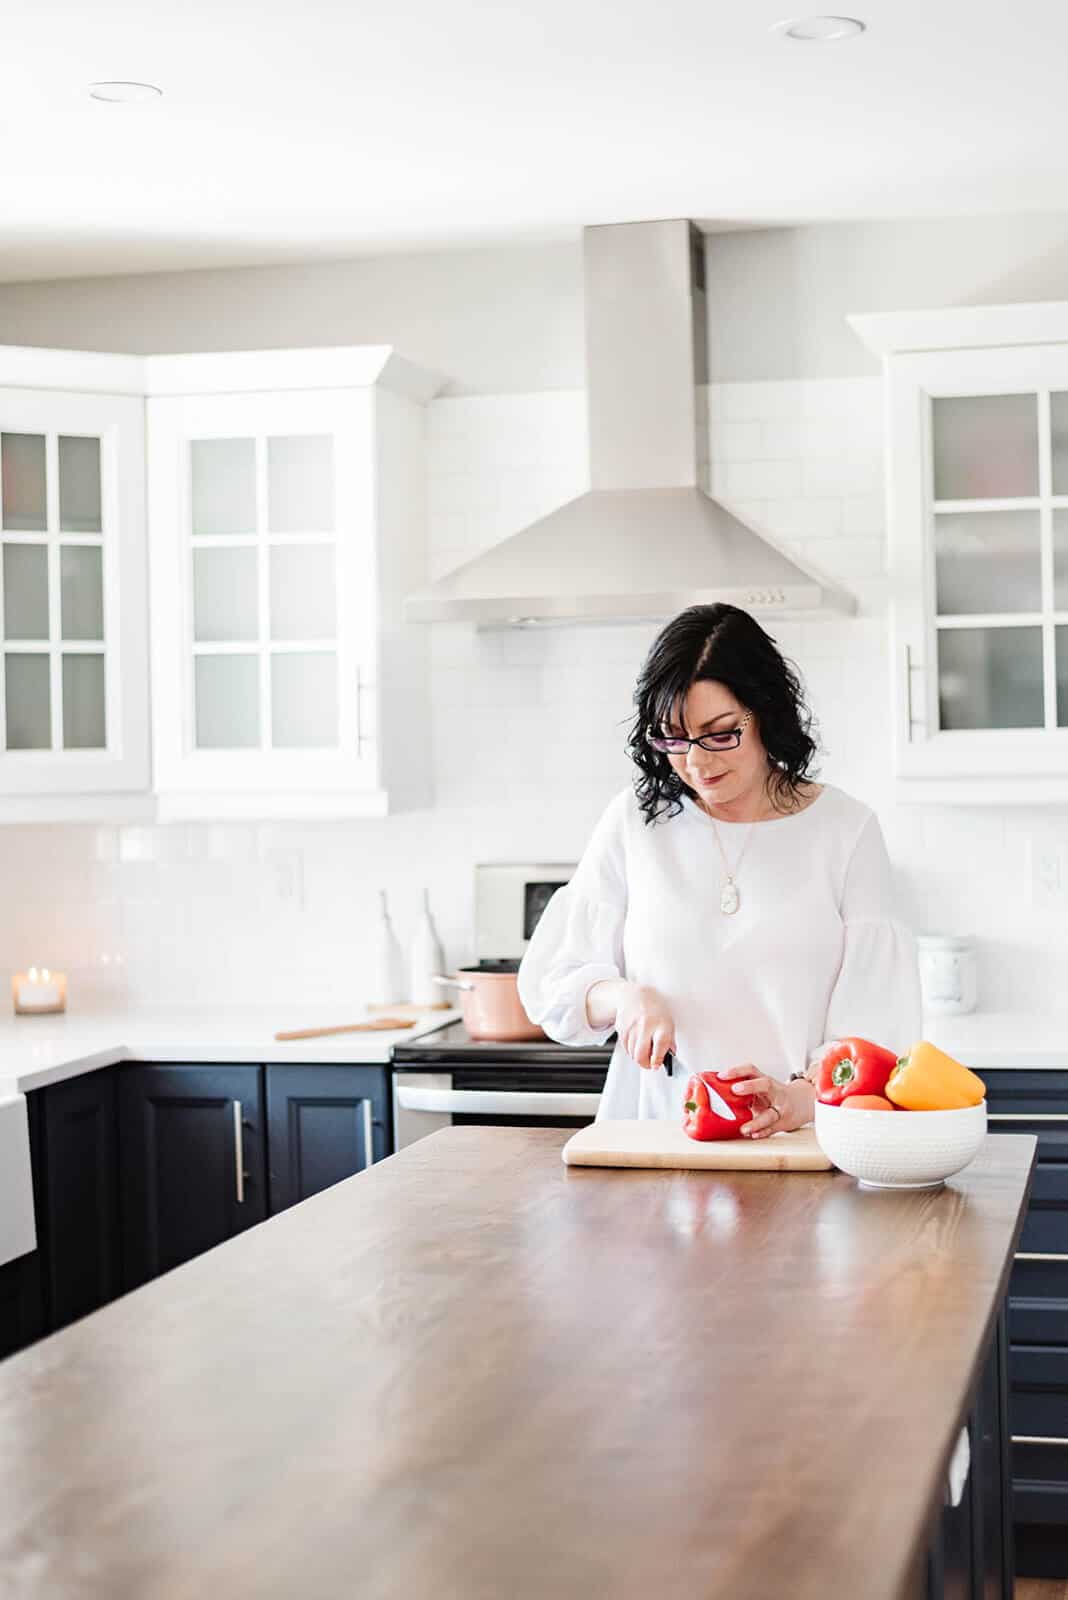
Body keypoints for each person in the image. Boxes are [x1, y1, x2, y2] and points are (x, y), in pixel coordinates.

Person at [517, 603, 922, 1137]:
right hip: (658, 1142)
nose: (698, 763)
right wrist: (627, 1000)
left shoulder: (845, 830)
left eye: (721, 733)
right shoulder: (634, 824)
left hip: (797, 1145)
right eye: (673, 738)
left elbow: (878, 1027)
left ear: (767, 712)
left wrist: (797, 1099)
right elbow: (553, 984)